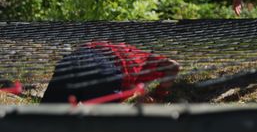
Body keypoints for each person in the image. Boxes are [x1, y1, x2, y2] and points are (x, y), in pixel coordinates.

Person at [41, 41, 179, 104]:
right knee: (104, 130)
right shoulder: (147, 59)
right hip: (105, 68)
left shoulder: (116, 48)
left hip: (72, 59)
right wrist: (158, 94)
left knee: (46, 119)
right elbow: (173, 66)